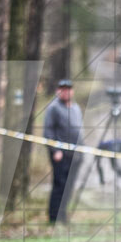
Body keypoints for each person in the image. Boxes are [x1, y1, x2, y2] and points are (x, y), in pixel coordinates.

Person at [43, 79, 83, 224]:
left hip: (75, 155)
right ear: (58, 91)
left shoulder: (75, 108)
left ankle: (62, 215)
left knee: (69, 186)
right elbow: (48, 131)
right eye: (62, 89)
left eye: (68, 89)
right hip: (60, 155)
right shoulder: (53, 108)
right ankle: (53, 217)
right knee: (59, 185)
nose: (65, 92)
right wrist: (55, 150)